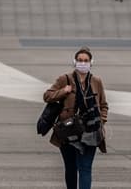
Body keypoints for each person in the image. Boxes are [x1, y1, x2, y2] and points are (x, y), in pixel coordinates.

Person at [44, 46, 109, 189]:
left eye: (86, 60)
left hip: (90, 131)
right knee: (71, 168)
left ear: (91, 62)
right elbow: (47, 96)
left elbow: (104, 105)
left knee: (85, 168)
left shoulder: (96, 81)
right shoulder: (64, 79)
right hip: (69, 131)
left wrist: (100, 121)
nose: (83, 63)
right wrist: (63, 91)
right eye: (80, 60)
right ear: (75, 61)